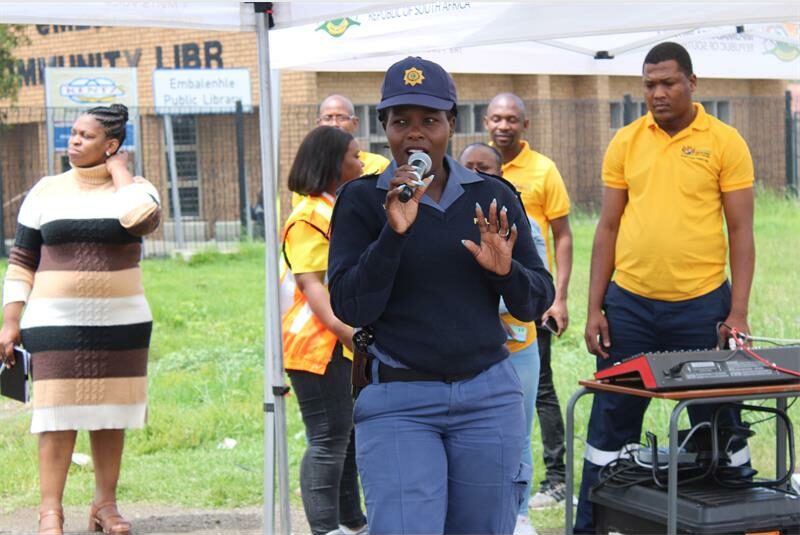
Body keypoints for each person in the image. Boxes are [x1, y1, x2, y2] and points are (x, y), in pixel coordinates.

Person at [328, 56, 555, 535]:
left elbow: (535, 301)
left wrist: (505, 271)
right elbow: (350, 306)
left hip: (486, 394)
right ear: (383, 127)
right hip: (398, 398)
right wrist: (392, 235)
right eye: (401, 122)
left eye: (429, 121)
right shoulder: (363, 200)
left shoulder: (491, 195)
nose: (415, 134)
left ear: (451, 123)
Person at [577, 42, 755, 533]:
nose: (657, 93)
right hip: (629, 307)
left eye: (668, 83)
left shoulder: (725, 141)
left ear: (692, 83)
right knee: (611, 423)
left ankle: (732, 522)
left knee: (717, 424)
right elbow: (608, 228)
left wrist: (737, 312)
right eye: (650, 84)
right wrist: (595, 307)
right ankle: (594, 525)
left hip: (702, 309)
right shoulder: (627, 141)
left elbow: (741, 230)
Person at [0, 104, 160, 535]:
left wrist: (120, 173)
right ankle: (50, 511)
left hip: (121, 326)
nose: (74, 140)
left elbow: (141, 220)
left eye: (86, 136)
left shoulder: (138, 189)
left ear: (111, 145)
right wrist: (9, 320)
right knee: (55, 415)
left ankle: (104, 506)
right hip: (53, 323)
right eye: (72, 133)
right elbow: (21, 260)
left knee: (111, 415)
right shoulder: (45, 190)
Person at [485, 93, 573, 509]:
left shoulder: (543, 170)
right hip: (483, 314)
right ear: (486, 121)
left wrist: (559, 298)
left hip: (530, 300)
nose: (504, 125)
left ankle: (556, 479)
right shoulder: (468, 164)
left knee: (539, 390)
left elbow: (563, 235)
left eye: (512, 119)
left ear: (525, 124)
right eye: (497, 118)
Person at [280, 125, 368, 535]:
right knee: (328, 438)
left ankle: (352, 523)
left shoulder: (339, 207)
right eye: (354, 154)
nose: (361, 161)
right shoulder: (309, 217)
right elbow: (311, 283)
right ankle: (325, 528)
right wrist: (344, 329)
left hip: (341, 341)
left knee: (345, 436)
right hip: (318, 344)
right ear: (334, 165)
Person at [459, 142, 547, 535]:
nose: (477, 174)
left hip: (519, 347)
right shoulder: (448, 221)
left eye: (486, 168)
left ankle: (520, 511)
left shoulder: (524, 221)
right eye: (469, 167)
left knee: (518, 430)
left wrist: (498, 286)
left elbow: (535, 283)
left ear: (501, 175)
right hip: (471, 348)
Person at [292, 94, 390, 207]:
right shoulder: (311, 169)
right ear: (318, 124)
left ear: (355, 123)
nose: (335, 124)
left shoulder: (379, 164)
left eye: (341, 118)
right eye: (328, 118)